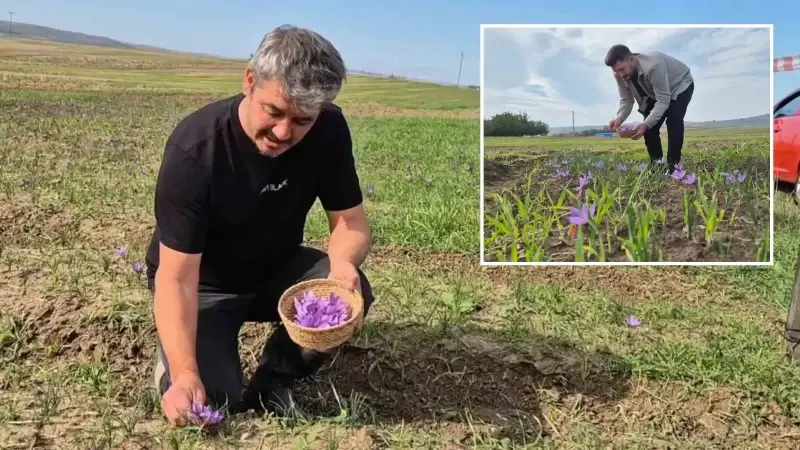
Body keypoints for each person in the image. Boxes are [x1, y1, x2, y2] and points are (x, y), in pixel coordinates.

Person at [144, 24, 374, 427]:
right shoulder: (196, 150)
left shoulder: (329, 131)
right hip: (203, 284)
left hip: (274, 270)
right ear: (250, 81)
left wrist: (342, 265)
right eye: (275, 112)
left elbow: (351, 222)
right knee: (210, 400)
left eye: (302, 120)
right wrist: (185, 374)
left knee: (350, 292)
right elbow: (176, 278)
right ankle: (173, 364)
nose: (284, 133)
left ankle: (275, 380)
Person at [605, 44, 695, 174]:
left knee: (673, 120)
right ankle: (656, 165)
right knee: (649, 127)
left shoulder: (653, 66)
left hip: (679, 84)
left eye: (622, 69)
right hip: (654, 91)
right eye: (616, 71)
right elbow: (627, 100)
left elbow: (663, 100)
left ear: (631, 60)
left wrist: (646, 124)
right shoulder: (620, 75)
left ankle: (673, 166)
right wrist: (619, 118)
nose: (620, 74)